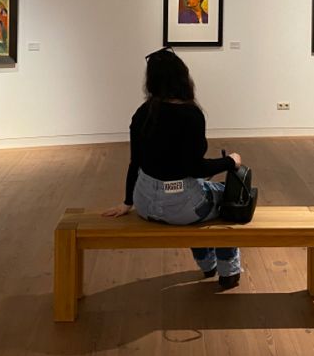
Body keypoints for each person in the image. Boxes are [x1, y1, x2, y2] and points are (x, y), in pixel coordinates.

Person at [103, 48, 243, 289]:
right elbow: (196, 167)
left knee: (201, 191)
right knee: (225, 197)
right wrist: (231, 161)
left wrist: (127, 203)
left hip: (145, 203)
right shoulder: (191, 114)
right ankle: (228, 271)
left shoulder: (143, 113)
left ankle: (207, 265)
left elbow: (135, 162)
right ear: (183, 77)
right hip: (183, 207)